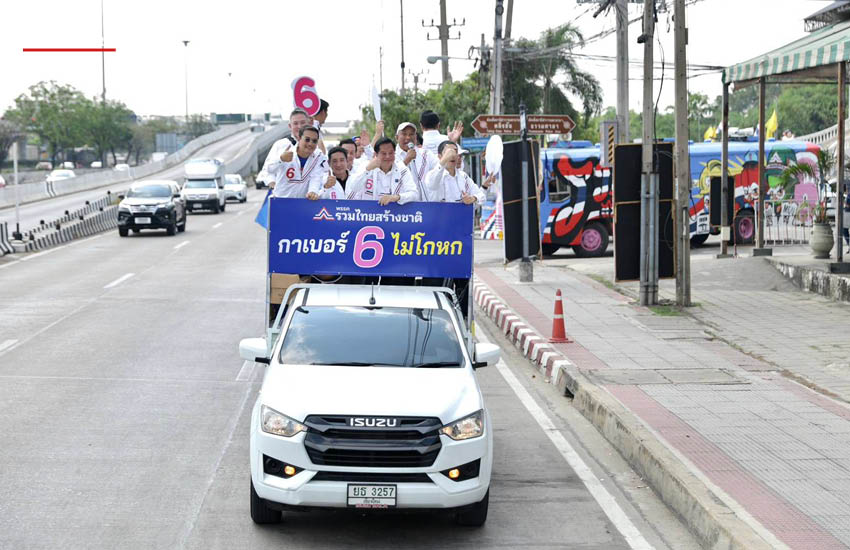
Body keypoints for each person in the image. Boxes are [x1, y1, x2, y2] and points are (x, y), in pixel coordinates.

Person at [346, 137, 418, 204]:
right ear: (376, 154)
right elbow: (354, 187)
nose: (388, 157)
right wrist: (367, 170)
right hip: (369, 214)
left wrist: (396, 197)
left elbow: (414, 194)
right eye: (384, 153)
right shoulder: (365, 166)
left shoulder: (402, 168)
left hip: (395, 214)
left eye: (391, 153)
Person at [267, 126, 328, 199]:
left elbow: (317, 176)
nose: (310, 144)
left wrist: (312, 191)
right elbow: (269, 170)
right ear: (299, 138)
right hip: (281, 200)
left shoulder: (319, 155)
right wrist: (281, 159)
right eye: (307, 140)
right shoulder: (285, 151)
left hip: (302, 202)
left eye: (314, 141)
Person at [257, 108, 311, 188]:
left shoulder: (315, 146)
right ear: (290, 126)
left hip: (307, 197)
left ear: (309, 124)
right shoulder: (280, 145)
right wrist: (280, 159)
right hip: (284, 196)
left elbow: (322, 172)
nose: (299, 126)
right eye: (295, 123)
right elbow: (266, 170)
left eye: (302, 123)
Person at [425, 141, 486, 205]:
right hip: (439, 214)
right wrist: (443, 160)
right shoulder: (432, 174)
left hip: (459, 214)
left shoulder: (463, 176)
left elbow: (481, 196)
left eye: (455, 152)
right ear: (440, 156)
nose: (452, 155)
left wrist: (472, 198)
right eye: (448, 152)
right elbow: (432, 185)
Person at [395, 121, 438, 201]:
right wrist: (406, 160)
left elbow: (440, 169)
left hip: (424, 204)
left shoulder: (426, 154)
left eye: (411, 134)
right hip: (401, 204)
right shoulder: (391, 156)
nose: (408, 137)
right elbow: (393, 176)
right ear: (397, 137)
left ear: (415, 137)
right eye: (404, 134)